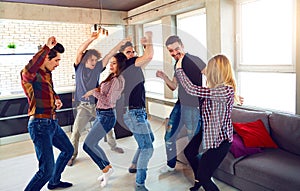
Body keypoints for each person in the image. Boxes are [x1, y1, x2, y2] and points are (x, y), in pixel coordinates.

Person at [175, 54, 239, 191]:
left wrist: (179, 69)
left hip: (221, 140)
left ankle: (201, 179)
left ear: (215, 71)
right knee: (190, 152)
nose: (206, 72)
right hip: (208, 131)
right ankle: (198, 180)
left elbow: (192, 89)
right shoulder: (218, 90)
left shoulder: (225, 90)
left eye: (209, 69)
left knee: (206, 177)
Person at [20, 36, 74, 190]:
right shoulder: (30, 75)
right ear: (45, 59)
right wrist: (46, 48)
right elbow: (29, 69)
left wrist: (56, 98)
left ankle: (54, 182)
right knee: (46, 171)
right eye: (56, 60)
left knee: (68, 150)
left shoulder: (47, 75)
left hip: (52, 123)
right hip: (39, 124)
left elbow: (49, 90)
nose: (58, 64)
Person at [68, 32, 129, 166]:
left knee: (108, 127)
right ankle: (72, 155)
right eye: (92, 60)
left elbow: (110, 54)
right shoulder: (79, 67)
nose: (95, 63)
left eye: (96, 60)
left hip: (97, 105)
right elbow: (80, 51)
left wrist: (121, 43)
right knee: (76, 131)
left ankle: (113, 146)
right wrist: (91, 38)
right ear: (85, 60)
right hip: (83, 106)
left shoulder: (97, 69)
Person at [156, 35, 206, 173]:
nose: (174, 53)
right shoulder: (176, 64)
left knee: (193, 143)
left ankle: (203, 173)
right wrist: (164, 77)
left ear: (182, 45)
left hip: (194, 108)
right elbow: (173, 86)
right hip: (180, 105)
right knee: (168, 137)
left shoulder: (195, 60)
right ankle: (170, 165)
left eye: (176, 49)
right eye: (171, 51)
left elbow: (212, 76)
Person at [82, 52, 127, 187]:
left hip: (107, 116)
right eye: (110, 62)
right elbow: (105, 93)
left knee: (87, 145)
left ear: (120, 65)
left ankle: (106, 169)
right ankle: (108, 168)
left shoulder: (117, 80)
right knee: (93, 144)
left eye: (114, 63)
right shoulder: (111, 77)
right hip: (101, 114)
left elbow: (108, 100)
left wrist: (93, 92)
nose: (110, 65)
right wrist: (96, 90)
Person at [122, 31, 154, 191]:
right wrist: (149, 39)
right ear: (122, 56)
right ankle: (140, 185)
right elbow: (148, 56)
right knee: (148, 147)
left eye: (133, 51)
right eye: (128, 52)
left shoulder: (132, 66)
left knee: (149, 140)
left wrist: (145, 45)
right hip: (134, 113)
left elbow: (146, 58)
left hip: (137, 112)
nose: (133, 54)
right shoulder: (128, 64)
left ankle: (134, 164)